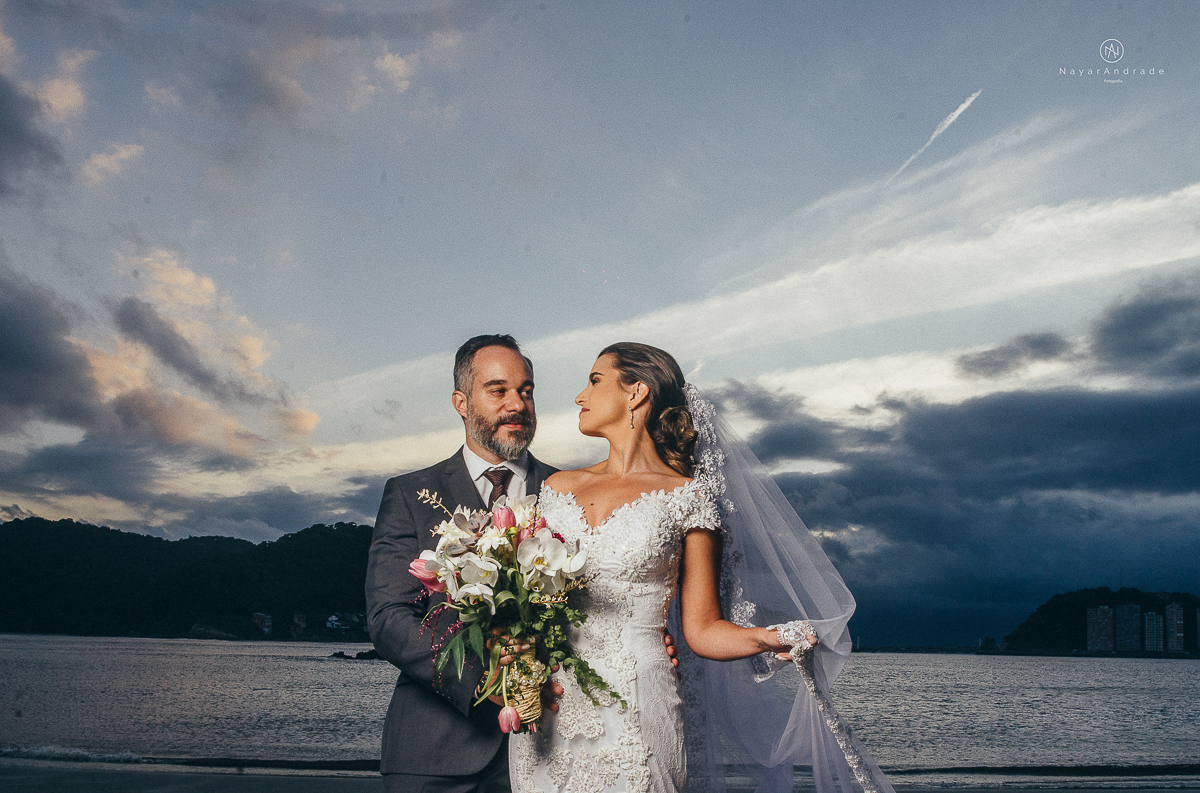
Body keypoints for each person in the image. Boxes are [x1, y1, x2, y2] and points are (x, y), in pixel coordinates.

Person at [509, 342, 894, 793]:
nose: (580, 396)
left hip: (638, 703)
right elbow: (524, 607)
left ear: (636, 392)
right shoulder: (555, 490)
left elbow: (703, 628)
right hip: (549, 704)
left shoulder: (688, 498)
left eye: (594, 381)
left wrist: (769, 637)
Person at [367, 334, 559, 793]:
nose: (517, 404)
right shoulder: (410, 494)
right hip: (436, 753)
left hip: (557, 749)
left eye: (526, 390)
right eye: (498, 390)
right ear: (461, 401)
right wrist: (483, 685)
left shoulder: (570, 491)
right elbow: (389, 618)